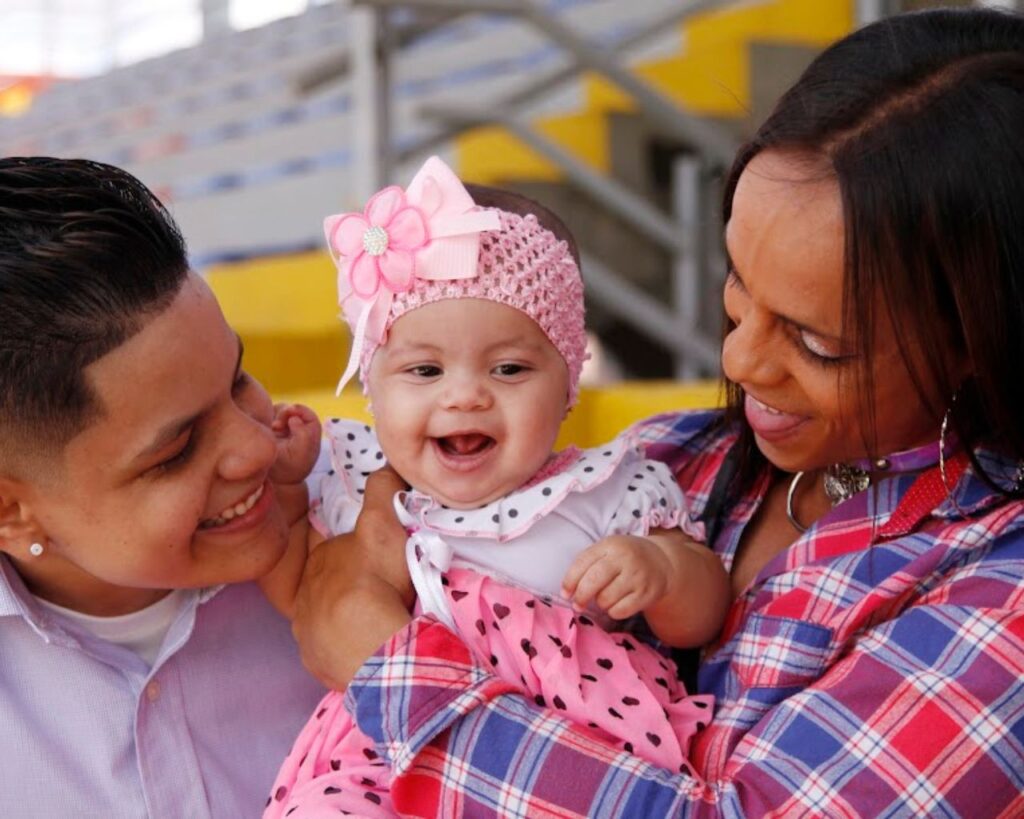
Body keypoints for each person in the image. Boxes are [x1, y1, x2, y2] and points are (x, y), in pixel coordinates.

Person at [289, 8, 1024, 816]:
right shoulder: (673, 456)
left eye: (818, 343)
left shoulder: (1002, 597)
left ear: (978, 340)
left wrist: (383, 660)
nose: (738, 362)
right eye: (740, 290)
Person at [260, 156, 730, 816]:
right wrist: (284, 487)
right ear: (374, 387)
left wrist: (662, 568)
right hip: (383, 760)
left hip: (559, 753)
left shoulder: (601, 489)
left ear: (566, 387)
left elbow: (704, 614)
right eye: (424, 370)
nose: (465, 396)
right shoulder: (357, 478)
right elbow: (303, 604)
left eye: (509, 368)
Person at [0, 157, 326, 817]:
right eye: (177, 452)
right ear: (11, 511)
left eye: (239, 379)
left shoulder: (394, 510)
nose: (259, 445)